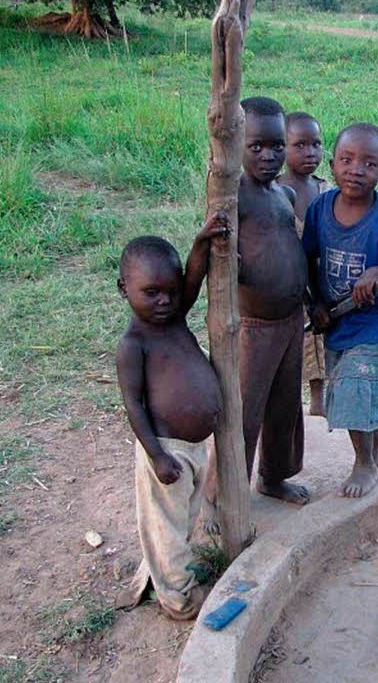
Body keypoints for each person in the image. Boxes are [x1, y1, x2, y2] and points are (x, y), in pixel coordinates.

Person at [115, 212, 231, 620]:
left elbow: (193, 280)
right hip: (167, 450)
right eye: (151, 293)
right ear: (124, 289)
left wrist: (200, 243)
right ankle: (178, 600)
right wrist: (157, 456)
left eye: (170, 291)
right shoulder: (134, 343)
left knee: (181, 519)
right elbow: (133, 404)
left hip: (195, 448)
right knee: (165, 527)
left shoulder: (175, 315)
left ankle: (170, 575)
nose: (164, 301)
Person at [303, 123, 378, 498]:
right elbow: (307, 259)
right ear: (332, 164)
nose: (356, 170)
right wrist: (314, 302)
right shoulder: (320, 209)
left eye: (369, 164)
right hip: (337, 322)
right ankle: (376, 455)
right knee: (362, 391)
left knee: (356, 388)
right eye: (346, 159)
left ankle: (365, 463)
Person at [234, 96, 311, 505]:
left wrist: (310, 300)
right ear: (235, 145)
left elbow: (293, 251)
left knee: (285, 407)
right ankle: (227, 494)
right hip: (254, 327)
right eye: (256, 146)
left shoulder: (284, 195)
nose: (269, 155)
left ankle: (273, 476)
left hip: (290, 321)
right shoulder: (234, 196)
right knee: (244, 413)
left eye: (277, 146)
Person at [278, 111, 330, 417]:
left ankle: (318, 401)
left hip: (325, 281)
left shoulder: (327, 191)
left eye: (316, 144)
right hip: (290, 285)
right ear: (282, 147)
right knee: (298, 344)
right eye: (299, 145)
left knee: (322, 341)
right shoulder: (276, 193)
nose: (310, 152)